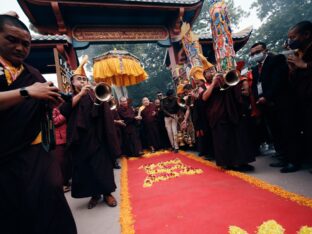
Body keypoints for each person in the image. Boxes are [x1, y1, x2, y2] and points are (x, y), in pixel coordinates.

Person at [0, 15, 76, 234]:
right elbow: (29, 94)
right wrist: (27, 92)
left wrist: (50, 99)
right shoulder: (29, 83)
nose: (20, 48)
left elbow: (52, 113)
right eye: (12, 40)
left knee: (50, 203)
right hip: (6, 158)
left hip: (37, 154)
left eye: (26, 44)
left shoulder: (32, 74)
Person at [60, 57, 120, 209]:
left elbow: (101, 113)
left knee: (102, 166)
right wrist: (80, 95)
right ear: (72, 82)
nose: (81, 81)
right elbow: (64, 111)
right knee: (86, 168)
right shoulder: (69, 96)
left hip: (97, 136)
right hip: (80, 138)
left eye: (84, 78)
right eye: (78, 79)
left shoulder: (94, 94)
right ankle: (94, 195)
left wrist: (97, 100)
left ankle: (107, 193)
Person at [202, 64, 255, 171]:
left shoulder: (224, 79)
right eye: (208, 71)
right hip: (218, 115)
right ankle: (227, 163)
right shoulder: (207, 85)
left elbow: (235, 86)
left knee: (237, 138)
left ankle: (241, 162)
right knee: (223, 140)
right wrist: (213, 83)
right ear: (205, 75)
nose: (211, 72)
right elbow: (204, 97)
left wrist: (242, 82)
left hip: (232, 112)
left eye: (212, 69)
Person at [249, 42, 292, 170]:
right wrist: (258, 99)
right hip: (265, 106)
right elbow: (255, 87)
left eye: (258, 52)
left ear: (265, 50)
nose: (255, 55)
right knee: (276, 133)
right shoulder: (256, 69)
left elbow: (278, 80)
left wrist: (266, 97)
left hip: (280, 102)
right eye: (252, 54)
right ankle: (283, 158)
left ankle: (293, 160)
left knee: (287, 132)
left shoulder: (276, 60)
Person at [283, 21, 312, 173]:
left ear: (306, 35)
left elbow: (305, 67)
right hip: (302, 98)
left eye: (293, 37)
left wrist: (305, 65)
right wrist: (293, 69)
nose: (290, 41)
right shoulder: (298, 54)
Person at [51, 107, 71, 192]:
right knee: (61, 162)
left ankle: (67, 181)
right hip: (58, 139)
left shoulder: (62, 104)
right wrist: (65, 113)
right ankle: (63, 183)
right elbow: (54, 121)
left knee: (67, 161)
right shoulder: (51, 106)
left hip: (67, 136)